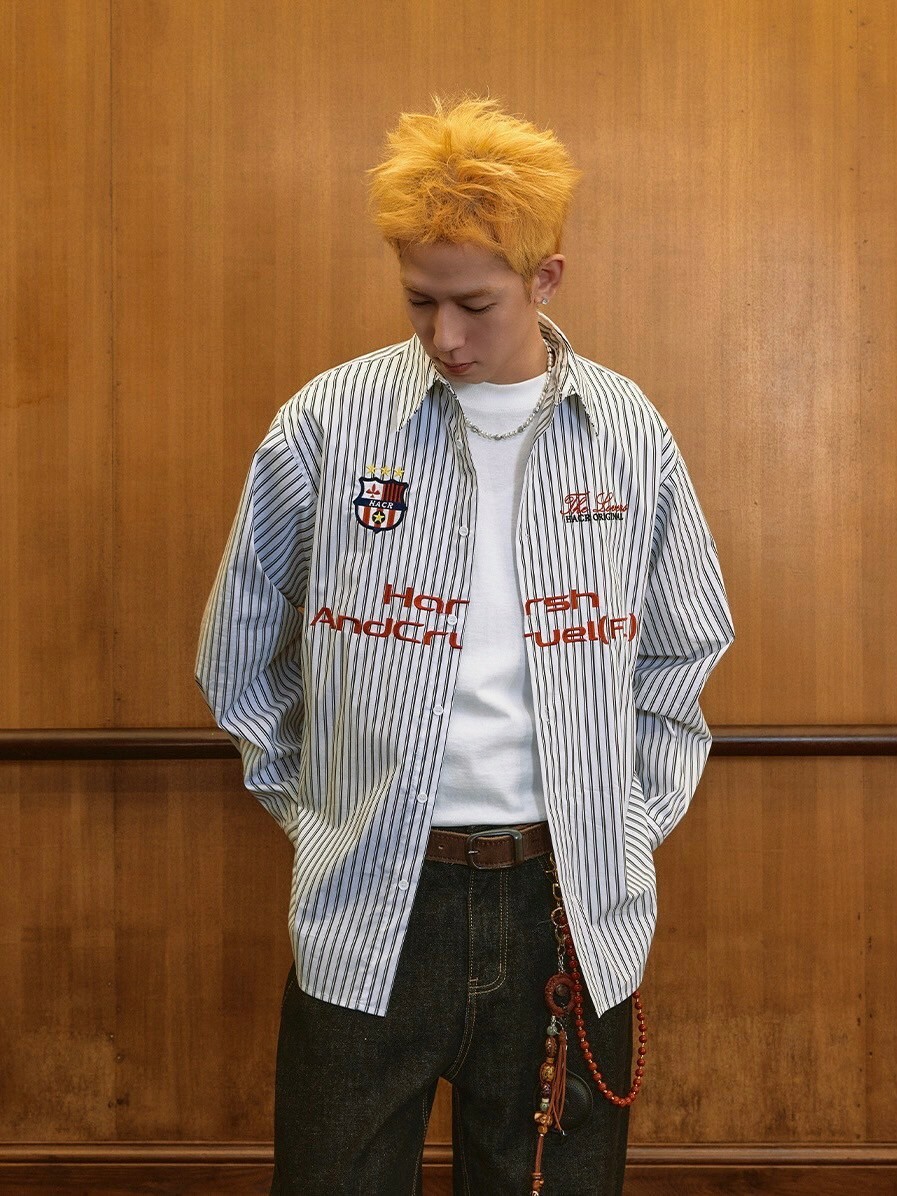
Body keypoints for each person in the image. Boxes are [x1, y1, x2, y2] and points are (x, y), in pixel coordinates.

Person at [195, 94, 734, 1196]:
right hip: (368, 902)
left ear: (545, 279)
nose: (443, 335)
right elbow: (238, 652)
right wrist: (323, 814)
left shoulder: (628, 433)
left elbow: (684, 652)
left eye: (474, 303)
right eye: (419, 300)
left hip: (567, 909)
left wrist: (623, 827)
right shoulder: (327, 423)